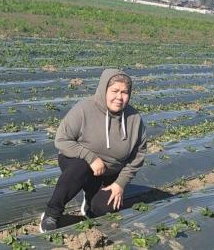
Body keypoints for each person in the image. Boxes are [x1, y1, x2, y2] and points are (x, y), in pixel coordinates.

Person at [39, 69, 147, 232]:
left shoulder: (134, 119)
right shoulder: (84, 109)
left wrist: (120, 184)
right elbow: (61, 139)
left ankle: (90, 203)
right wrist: (90, 157)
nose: (119, 97)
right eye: (115, 91)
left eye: (124, 92)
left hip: (109, 174)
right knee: (79, 168)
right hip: (79, 162)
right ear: (104, 89)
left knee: (105, 209)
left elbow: (138, 156)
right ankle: (52, 213)